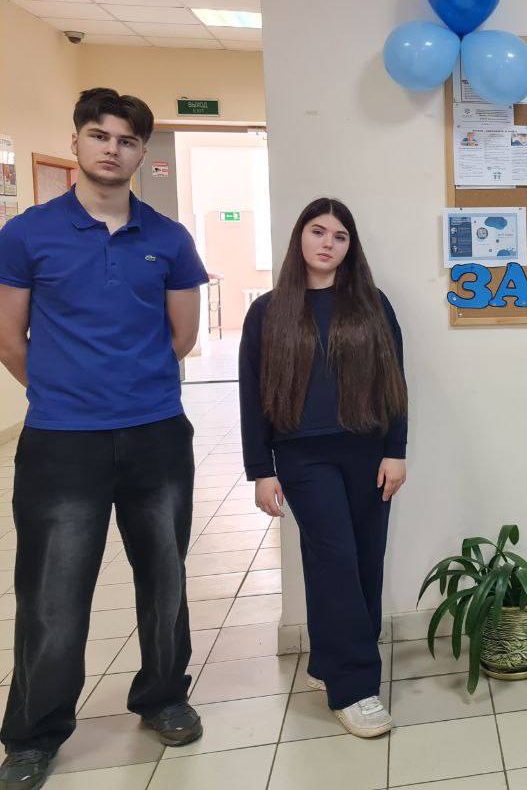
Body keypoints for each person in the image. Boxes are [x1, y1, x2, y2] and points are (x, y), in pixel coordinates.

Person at [0, 89, 207, 789]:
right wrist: (67, 390)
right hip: (63, 443)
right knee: (53, 594)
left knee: (165, 579)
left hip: (156, 434)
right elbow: (10, 339)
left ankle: (164, 696)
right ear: (78, 142)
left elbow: (183, 336)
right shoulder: (27, 234)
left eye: (125, 139)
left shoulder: (169, 239)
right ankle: (34, 734)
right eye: (99, 135)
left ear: (141, 152)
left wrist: (130, 387)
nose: (111, 149)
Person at [239, 198, 407, 739]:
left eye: (340, 236)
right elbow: (252, 396)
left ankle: (328, 661)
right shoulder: (268, 311)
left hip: (368, 452)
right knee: (334, 560)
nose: (327, 243)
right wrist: (260, 469)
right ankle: (354, 688)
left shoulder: (372, 305)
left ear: (350, 247)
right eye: (318, 232)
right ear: (300, 238)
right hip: (303, 456)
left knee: (363, 562)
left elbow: (394, 383)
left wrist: (396, 450)